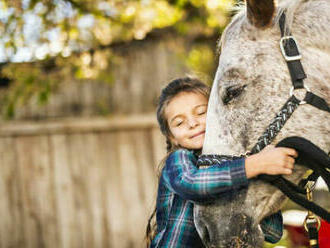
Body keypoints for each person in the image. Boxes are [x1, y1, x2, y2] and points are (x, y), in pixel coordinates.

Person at [146, 77, 298, 247]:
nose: (192, 123)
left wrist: (263, 175)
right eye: (180, 122)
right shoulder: (178, 160)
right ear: (173, 138)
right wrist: (256, 164)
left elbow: (273, 232)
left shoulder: (234, 165)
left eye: (201, 112)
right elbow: (193, 184)